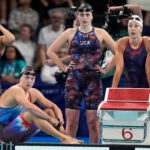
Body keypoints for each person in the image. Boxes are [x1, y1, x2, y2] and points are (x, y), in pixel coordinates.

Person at [47, 2, 116, 144]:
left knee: (93, 123)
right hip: (74, 81)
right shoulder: (69, 33)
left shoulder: (101, 33)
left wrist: (106, 69)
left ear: (91, 16)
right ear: (77, 16)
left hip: (94, 81)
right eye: (81, 14)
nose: (84, 17)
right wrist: (63, 67)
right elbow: (50, 51)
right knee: (71, 123)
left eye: (87, 14)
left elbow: (118, 53)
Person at [0, 66, 82, 144]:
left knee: (49, 111)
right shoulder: (16, 89)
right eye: (26, 77)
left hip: (17, 133)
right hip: (2, 135)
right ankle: (63, 139)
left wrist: (59, 118)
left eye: (32, 78)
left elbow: (53, 106)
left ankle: (67, 137)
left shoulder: (33, 92)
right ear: (19, 79)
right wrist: (49, 119)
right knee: (32, 113)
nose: (29, 81)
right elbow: (29, 107)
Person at [112, 15, 150, 88]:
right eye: (130, 26)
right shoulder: (121, 43)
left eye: (136, 26)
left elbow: (148, 69)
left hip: (146, 85)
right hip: (129, 86)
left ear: (141, 29)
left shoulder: (147, 42)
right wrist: (113, 89)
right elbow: (119, 69)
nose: (132, 29)